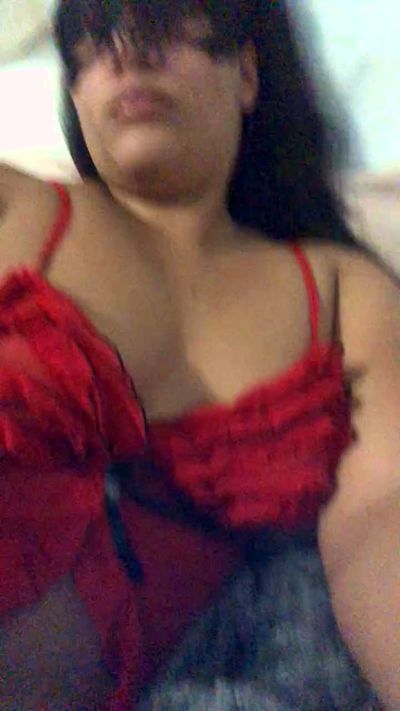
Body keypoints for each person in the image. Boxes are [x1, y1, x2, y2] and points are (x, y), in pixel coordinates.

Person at [0, 1, 399, 709]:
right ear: (74, 97)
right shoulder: (16, 207)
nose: (128, 54)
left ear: (246, 73)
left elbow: (381, 517)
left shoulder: (342, 290)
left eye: (164, 27)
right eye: (94, 41)